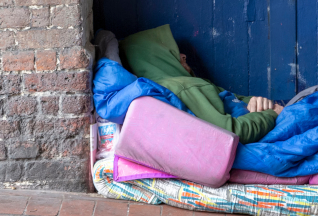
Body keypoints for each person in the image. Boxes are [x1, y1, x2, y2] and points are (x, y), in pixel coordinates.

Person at [115, 24, 282, 144]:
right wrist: (273, 114)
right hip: (267, 126)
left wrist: (256, 102)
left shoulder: (191, 83)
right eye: (170, 52)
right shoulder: (183, 88)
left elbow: (235, 99)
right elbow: (231, 133)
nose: (183, 56)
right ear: (155, 59)